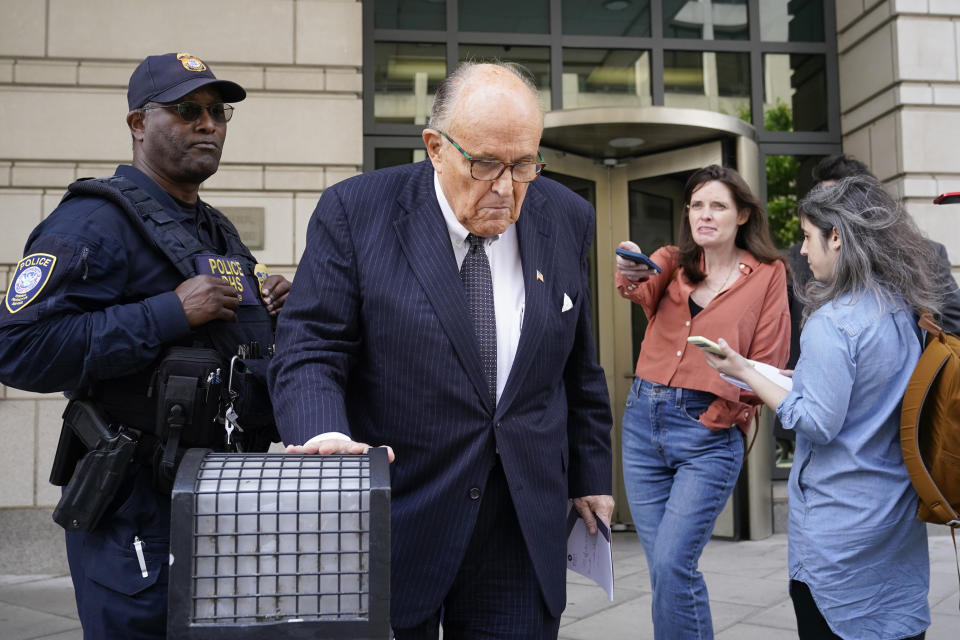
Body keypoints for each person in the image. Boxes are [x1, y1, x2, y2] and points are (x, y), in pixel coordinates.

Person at [268, 61, 614, 639]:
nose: (506, 187)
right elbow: (311, 346)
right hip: (401, 512)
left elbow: (577, 366)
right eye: (484, 164)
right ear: (435, 147)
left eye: (524, 163)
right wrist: (321, 434)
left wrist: (591, 474)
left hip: (521, 524)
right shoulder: (357, 212)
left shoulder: (566, 216)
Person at [0, 53, 290, 639]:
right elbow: (18, 348)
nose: (208, 124)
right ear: (139, 123)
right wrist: (168, 312)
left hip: (221, 500)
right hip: (136, 506)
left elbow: (222, 344)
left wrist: (270, 309)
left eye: (218, 111)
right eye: (188, 110)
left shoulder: (212, 228)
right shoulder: (91, 223)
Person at [704, 174, 939, 640]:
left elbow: (815, 422)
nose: (804, 252)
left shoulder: (832, 323)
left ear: (838, 237)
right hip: (894, 522)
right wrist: (801, 378)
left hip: (839, 535)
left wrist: (745, 371)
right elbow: (874, 393)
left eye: (809, 237)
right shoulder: (900, 309)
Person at [615, 165, 790, 639]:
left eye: (718, 206)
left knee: (673, 564)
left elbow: (768, 364)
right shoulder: (671, 260)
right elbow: (637, 284)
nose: (704, 215)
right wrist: (630, 263)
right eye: (696, 205)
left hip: (706, 433)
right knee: (664, 573)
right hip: (642, 423)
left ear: (742, 215)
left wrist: (727, 411)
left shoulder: (768, 275)